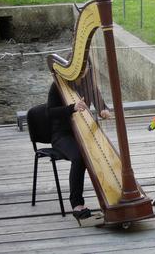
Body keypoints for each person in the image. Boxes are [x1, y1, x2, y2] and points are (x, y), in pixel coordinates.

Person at [47, 58, 111, 222]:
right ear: (71, 67)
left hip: (84, 132)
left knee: (103, 152)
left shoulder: (89, 85)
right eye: (79, 67)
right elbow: (50, 113)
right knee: (79, 157)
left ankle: (110, 193)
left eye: (86, 66)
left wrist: (104, 111)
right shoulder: (58, 86)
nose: (84, 70)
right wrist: (72, 108)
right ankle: (77, 204)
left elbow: (101, 105)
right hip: (62, 135)